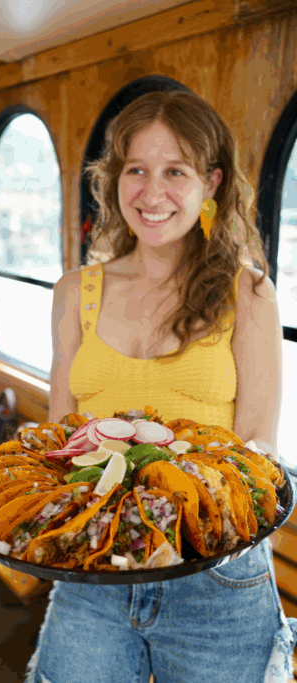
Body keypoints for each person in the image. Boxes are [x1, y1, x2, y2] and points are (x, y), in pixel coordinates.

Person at [32, 90, 294, 683]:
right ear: (114, 180)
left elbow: (257, 450)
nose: (152, 194)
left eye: (175, 171)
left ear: (212, 182)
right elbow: (59, 438)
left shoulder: (248, 294)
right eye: (137, 170)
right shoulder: (75, 292)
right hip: (95, 567)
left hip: (217, 578)